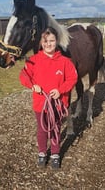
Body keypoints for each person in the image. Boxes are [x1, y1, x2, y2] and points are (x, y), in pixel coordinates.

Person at [19, 27, 78, 169]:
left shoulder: (65, 62)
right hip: (40, 103)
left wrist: (60, 90)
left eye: (52, 41)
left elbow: (72, 78)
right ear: (41, 42)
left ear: (56, 41)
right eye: (45, 41)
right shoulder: (34, 60)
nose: (48, 44)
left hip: (57, 104)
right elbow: (24, 75)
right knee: (42, 129)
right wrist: (33, 85)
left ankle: (55, 154)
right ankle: (42, 153)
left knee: (55, 129)